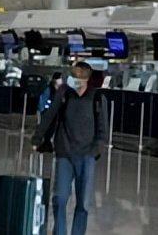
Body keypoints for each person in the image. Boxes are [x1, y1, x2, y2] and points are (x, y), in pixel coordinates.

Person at [33, 62, 108, 235]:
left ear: (86, 79)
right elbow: (49, 116)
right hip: (65, 154)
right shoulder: (64, 94)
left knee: (83, 204)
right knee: (59, 198)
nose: (74, 81)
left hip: (86, 156)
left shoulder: (97, 98)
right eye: (73, 77)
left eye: (78, 78)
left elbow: (103, 129)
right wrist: (38, 137)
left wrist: (95, 151)